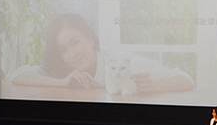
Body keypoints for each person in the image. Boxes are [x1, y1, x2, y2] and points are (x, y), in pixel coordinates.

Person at [10, 12, 194, 94]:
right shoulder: (63, 70)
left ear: (91, 39)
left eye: (75, 42)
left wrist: (156, 86)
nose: (72, 54)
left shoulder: (124, 62)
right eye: (63, 50)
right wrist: (61, 83)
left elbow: (186, 79)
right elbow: (17, 75)